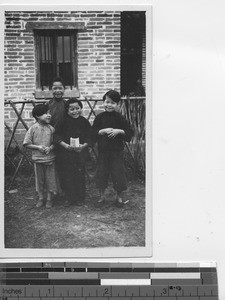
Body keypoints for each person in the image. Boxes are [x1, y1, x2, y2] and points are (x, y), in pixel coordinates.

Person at [92, 90, 134, 207]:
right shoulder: (100, 117)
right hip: (103, 151)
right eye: (107, 102)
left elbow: (130, 132)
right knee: (102, 173)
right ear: (103, 102)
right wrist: (101, 131)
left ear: (117, 104)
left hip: (116, 152)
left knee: (118, 174)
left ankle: (119, 197)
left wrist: (119, 131)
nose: (109, 105)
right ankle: (101, 196)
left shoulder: (120, 118)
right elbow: (93, 131)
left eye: (113, 103)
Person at [54, 99, 91, 206]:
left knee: (79, 175)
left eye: (77, 108)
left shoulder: (84, 121)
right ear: (67, 110)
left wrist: (83, 146)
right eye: (72, 109)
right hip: (66, 154)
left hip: (80, 153)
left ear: (81, 108)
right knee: (67, 175)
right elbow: (56, 136)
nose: (75, 111)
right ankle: (69, 198)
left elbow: (90, 136)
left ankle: (80, 198)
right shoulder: (63, 121)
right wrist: (65, 145)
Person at [23, 104, 61, 208]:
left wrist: (50, 148)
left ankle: (49, 199)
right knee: (40, 180)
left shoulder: (51, 129)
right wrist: (38, 147)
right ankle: (41, 198)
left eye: (49, 113)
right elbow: (26, 143)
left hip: (50, 159)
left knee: (50, 179)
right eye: (46, 113)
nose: (49, 115)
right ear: (37, 116)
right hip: (38, 159)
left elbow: (56, 142)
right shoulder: (33, 128)